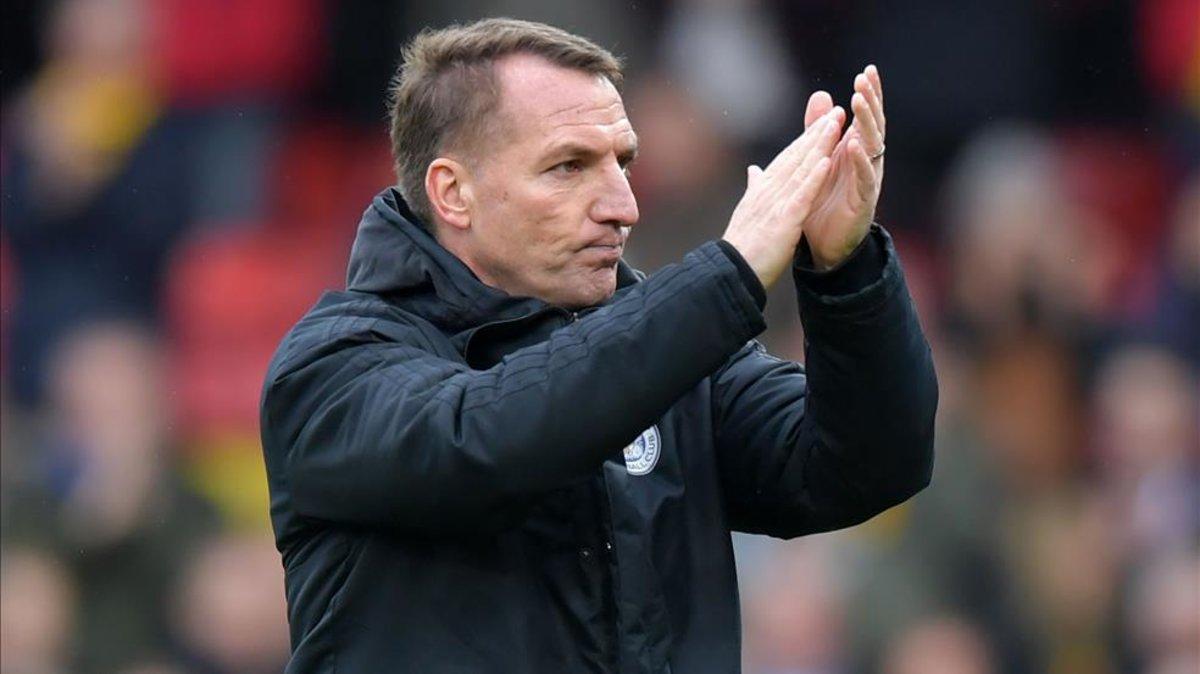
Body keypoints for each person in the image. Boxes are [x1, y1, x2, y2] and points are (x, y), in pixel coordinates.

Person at [260, 18, 936, 673]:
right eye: (568, 167)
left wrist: (846, 272)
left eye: (623, 163)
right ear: (454, 193)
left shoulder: (672, 356)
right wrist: (728, 275)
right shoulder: (333, 367)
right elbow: (490, 440)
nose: (622, 204)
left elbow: (868, 466)